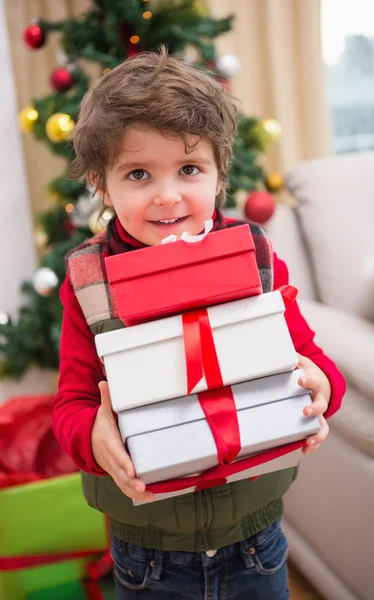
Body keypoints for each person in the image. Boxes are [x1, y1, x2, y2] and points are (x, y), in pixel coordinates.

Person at [53, 47, 346, 600]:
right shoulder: (89, 282)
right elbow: (69, 405)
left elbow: (314, 359)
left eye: (189, 169)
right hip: (148, 553)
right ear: (101, 183)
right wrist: (92, 434)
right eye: (138, 173)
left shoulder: (256, 256)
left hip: (255, 539)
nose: (168, 195)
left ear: (218, 175)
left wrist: (322, 388)